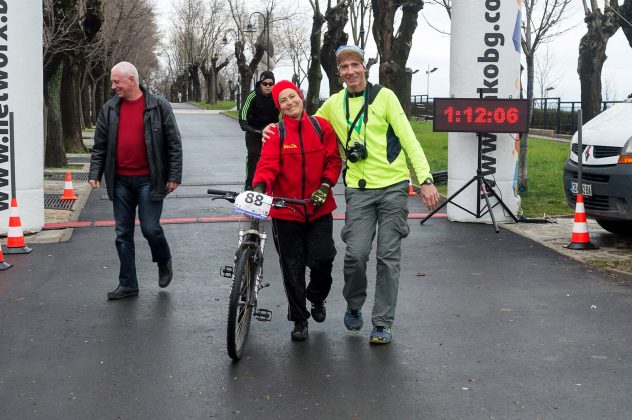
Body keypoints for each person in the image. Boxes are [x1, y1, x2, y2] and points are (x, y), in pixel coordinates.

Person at [264, 45, 441, 344]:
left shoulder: (385, 97)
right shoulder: (334, 104)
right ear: (339, 72)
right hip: (359, 190)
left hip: (393, 187)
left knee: (387, 256)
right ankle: (354, 303)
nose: (350, 71)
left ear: (364, 67)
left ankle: (382, 323)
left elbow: (409, 139)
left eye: (355, 65)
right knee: (356, 255)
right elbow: (305, 126)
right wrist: (274, 127)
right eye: (344, 67)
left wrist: (424, 179)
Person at [252, 80, 342, 341]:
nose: (290, 103)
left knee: (323, 258)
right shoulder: (276, 133)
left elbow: (333, 160)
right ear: (278, 106)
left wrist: (325, 186)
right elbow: (267, 165)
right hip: (285, 211)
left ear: (301, 97)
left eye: (292, 97)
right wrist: (259, 188)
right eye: (283, 100)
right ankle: (300, 319)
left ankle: (316, 297)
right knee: (292, 267)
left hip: (318, 208)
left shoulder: (320, 126)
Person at [89, 61, 183, 300]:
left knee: (151, 229)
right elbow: (100, 145)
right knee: (123, 234)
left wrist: (174, 175)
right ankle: (128, 283)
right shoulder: (109, 109)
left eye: (116, 81)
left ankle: (163, 260)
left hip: (149, 180)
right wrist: (94, 173)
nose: (113, 86)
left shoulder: (158, 106)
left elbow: (173, 142)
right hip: (120, 181)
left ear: (132, 80)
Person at [239, 70, 279, 191]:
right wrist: (247, 127)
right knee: (253, 155)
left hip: (271, 132)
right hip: (254, 131)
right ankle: (249, 184)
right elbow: (243, 115)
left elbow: (284, 113)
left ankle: (271, 184)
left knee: (273, 157)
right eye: (264, 83)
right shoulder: (253, 95)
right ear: (260, 84)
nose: (267, 86)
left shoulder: (276, 97)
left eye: (270, 84)